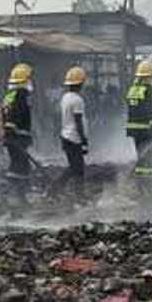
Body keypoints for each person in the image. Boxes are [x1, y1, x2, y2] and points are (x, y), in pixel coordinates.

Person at [125, 59, 152, 192]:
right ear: (149, 75)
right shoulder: (150, 90)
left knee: (141, 156)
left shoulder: (132, 90)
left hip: (134, 130)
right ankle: (150, 186)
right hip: (146, 130)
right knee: (151, 159)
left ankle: (140, 186)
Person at [1, 63, 35, 203]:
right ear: (24, 80)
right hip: (17, 138)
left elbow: (6, 115)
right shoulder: (21, 95)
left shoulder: (9, 95)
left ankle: (14, 195)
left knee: (17, 164)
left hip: (12, 138)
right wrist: (17, 135)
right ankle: (16, 196)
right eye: (29, 78)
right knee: (21, 166)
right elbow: (14, 117)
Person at [55, 66, 89, 201]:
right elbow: (78, 121)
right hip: (74, 138)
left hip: (65, 135)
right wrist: (84, 140)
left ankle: (59, 188)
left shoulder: (65, 97)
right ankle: (77, 194)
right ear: (80, 83)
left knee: (74, 167)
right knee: (78, 169)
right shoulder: (77, 100)